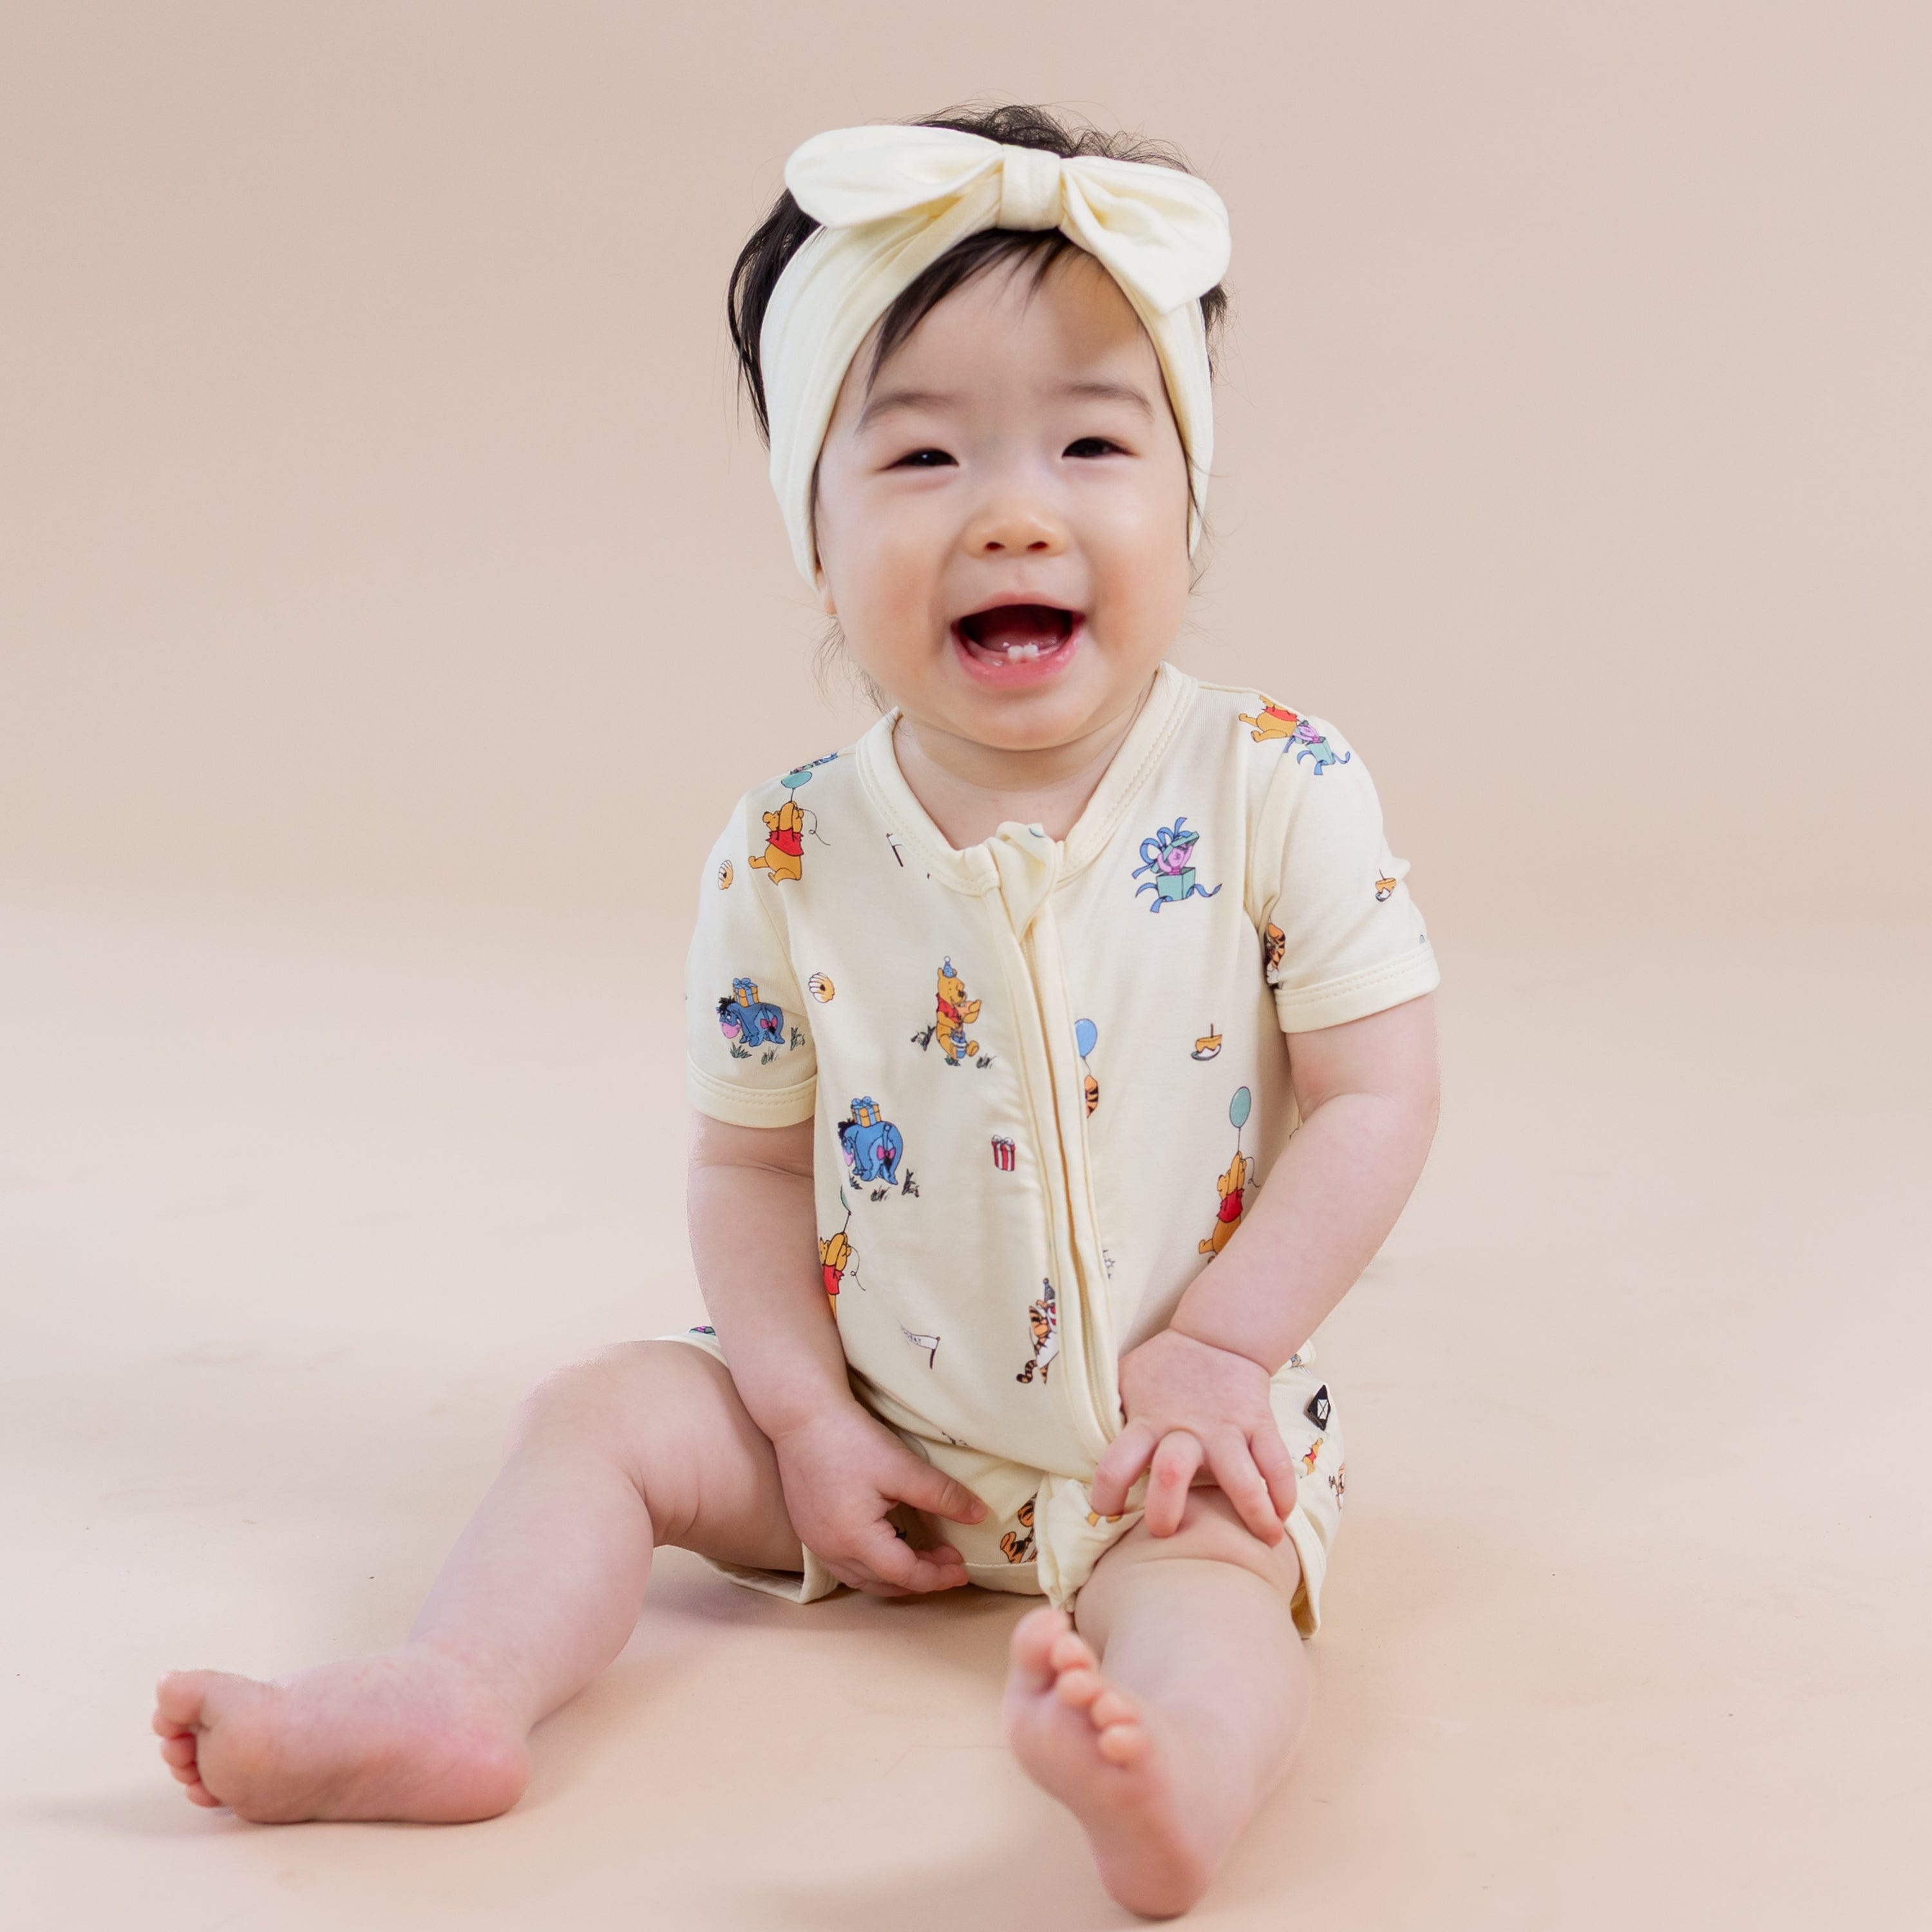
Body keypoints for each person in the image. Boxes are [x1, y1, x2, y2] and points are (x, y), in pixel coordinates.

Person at [151, 104, 1441, 1918]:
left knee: (1224, 1589)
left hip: (1171, 1432)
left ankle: (1173, 1790)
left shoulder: (1273, 784)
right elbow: (747, 1174)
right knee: (601, 1411)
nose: (1014, 506)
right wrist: (804, 1416)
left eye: (1092, 440)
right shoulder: (787, 851)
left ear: (1186, 492)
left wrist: (1228, 1347)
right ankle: (461, 1689)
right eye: (920, 458)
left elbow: (1381, 1091)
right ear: (812, 533)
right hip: (877, 1428)